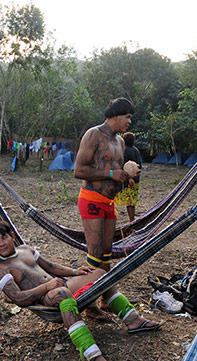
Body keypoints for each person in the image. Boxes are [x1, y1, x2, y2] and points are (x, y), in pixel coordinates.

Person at [0, 221, 160, 361]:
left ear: (12, 235)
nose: (1, 243)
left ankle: (133, 321)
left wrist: (74, 272)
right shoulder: (1, 269)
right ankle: (93, 355)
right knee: (62, 293)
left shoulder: (25, 249)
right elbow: (18, 298)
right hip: (44, 298)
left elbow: (50, 267)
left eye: (4, 237)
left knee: (100, 275)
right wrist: (47, 286)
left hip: (60, 285)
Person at [74, 98, 135, 274]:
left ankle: (104, 299)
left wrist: (125, 177)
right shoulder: (94, 134)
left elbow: (115, 169)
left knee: (106, 253)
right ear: (115, 116)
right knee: (95, 254)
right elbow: (78, 170)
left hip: (110, 202)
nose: (129, 122)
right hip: (91, 199)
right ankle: (85, 294)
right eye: (128, 117)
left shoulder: (121, 141)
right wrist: (110, 174)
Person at [114, 132, 143, 223]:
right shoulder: (136, 150)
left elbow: (125, 165)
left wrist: (129, 178)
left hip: (128, 180)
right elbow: (139, 165)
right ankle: (132, 220)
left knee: (127, 200)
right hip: (136, 179)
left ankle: (128, 220)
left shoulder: (124, 150)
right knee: (132, 201)